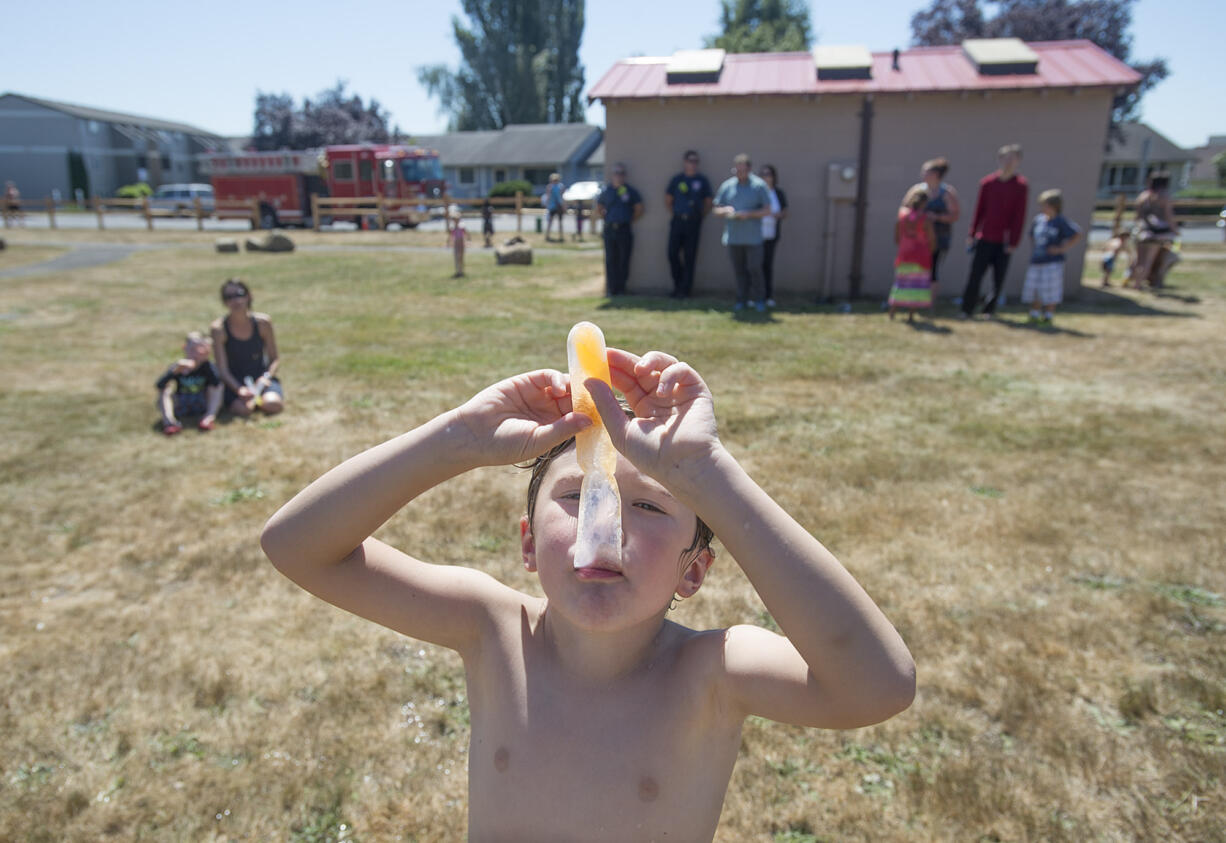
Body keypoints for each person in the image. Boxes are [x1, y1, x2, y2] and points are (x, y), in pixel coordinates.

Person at [261, 343, 916, 840]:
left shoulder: (712, 672)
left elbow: (878, 684)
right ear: (526, 543)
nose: (607, 522)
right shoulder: (491, 629)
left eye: (653, 509)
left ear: (693, 570)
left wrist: (708, 475)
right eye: (577, 495)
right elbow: (296, 545)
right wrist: (456, 438)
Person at [960, 144, 1028, 319]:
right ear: (999, 160)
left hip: (1004, 242)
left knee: (998, 279)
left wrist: (1014, 242)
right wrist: (972, 233)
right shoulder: (988, 183)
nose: (1008, 162)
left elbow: (1019, 216)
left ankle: (989, 310)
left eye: (1012, 159)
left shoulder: (1021, 186)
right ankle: (967, 309)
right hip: (985, 238)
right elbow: (979, 210)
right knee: (975, 275)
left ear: (1018, 161)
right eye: (1005, 158)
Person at [210, 278, 284, 417]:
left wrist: (265, 377)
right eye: (229, 297)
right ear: (224, 302)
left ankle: (261, 398)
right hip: (234, 380)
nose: (235, 301)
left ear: (248, 296)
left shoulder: (263, 323)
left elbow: (275, 359)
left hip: (260, 377)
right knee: (245, 409)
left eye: (239, 294)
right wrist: (239, 389)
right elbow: (222, 369)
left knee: (273, 404)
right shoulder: (218, 329)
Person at [713, 153, 772, 312]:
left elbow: (768, 210)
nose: (740, 174)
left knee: (754, 268)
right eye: (737, 171)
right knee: (739, 271)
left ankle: (760, 300)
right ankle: (741, 300)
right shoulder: (728, 186)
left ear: (749, 169)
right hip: (734, 237)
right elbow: (716, 209)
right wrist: (725, 210)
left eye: (743, 171)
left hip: (753, 238)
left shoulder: (759, 186)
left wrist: (749, 214)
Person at [1022, 189, 1082, 326]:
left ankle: (1048, 316)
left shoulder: (1060, 221)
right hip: (1037, 261)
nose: (1042, 208)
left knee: (1050, 290)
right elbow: (1031, 235)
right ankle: (1034, 314)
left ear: (1054, 206)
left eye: (1045, 204)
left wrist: (1061, 249)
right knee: (1035, 288)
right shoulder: (1038, 220)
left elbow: (1077, 234)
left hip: (1052, 262)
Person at [664, 150, 713, 299]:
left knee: (690, 256)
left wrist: (698, 216)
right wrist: (677, 213)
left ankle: (685, 291)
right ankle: (678, 286)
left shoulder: (702, 180)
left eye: (695, 161)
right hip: (678, 220)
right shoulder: (677, 180)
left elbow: (709, 202)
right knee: (672, 253)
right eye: (690, 161)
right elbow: (668, 199)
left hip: (694, 221)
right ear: (685, 162)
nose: (692, 164)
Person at [156, 331, 222, 435]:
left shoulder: (207, 366)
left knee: (217, 387)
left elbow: (216, 383)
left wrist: (204, 363)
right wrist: (175, 371)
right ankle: (169, 422)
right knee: (165, 389)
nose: (195, 353)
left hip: (201, 402)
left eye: (199, 350)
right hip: (181, 402)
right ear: (185, 348)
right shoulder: (178, 366)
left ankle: (208, 418)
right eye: (192, 349)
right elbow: (159, 385)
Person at [888, 185, 936, 322]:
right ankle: (910, 315)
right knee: (917, 284)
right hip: (921, 256)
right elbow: (932, 239)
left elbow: (897, 238)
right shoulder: (926, 219)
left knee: (901, 283)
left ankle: (892, 312)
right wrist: (931, 251)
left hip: (904, 255)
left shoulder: (902, 217)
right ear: (924, 203)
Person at [595, 164, 644, 296]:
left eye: (621, 173)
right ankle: (612, 288)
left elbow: (639, 208)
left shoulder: (630, 191)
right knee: (611, 259)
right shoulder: (607, 191)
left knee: (624, 259)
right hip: (610, 229)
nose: (619, 176)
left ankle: (621, 288)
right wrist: (607, 218)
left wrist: (628, 219)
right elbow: (599, 207)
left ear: (624, 175)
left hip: (624, 228)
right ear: (612, 175)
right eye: (616, 173)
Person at [1128, 171, 1179, 290]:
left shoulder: (1143, 196)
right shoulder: (1163, 196)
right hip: (1156, 233)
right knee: (1148, 259)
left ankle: (1131, 281)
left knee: (1138, 258)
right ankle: (1138, 285)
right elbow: (1168, 215)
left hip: (1141, 230)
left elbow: (1137, 216)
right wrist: (1175, 230)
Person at [918, 158, 959, 299]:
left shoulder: (946, 192)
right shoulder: (918, 190)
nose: (923, 174)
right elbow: (905, 209)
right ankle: (914, 299)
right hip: (919, 237)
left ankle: (929, 301)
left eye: (926, 171)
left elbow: (955, 215)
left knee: (932, 268)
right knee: (917, 268)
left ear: (936, 174)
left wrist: (936, 217)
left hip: (938, 238)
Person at [759, 164, 788, 308]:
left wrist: (776, 215)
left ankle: (768, 296)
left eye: (769, 174)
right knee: (754, 266)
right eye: (763, 174)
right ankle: (755, 295)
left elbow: (785, 212)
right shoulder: (757, 192)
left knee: (767, 265)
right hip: (756, 235)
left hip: (771, 235)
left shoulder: (778, 193)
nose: (766, 177)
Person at [542, 173, 565, 242]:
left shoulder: (560, 186)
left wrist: (564, 206)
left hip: (558, 206)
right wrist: (547, 205)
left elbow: (561, 197)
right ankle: (548, 235)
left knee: (560, 222)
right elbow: (548, 197)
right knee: (550, 221)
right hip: (552, 206)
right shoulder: (550, 187)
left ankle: (560, 236)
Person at [448, 209, 470, 277]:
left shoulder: (461, 227)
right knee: (456, 257)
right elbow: (451, 235)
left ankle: (461, 271)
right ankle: (457, 271)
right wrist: (448, 242)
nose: (455, 221)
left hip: (461, 243)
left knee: (461, 258)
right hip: (456, 244)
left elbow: (466, 234)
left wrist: (468, 240)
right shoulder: (453, 227)